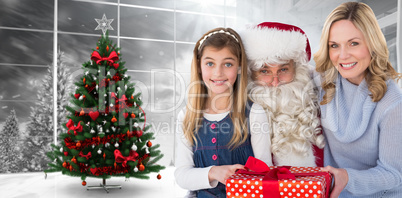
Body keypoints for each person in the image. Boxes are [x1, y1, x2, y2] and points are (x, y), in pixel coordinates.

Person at [313, 2, 402, 197]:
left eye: (354, 43)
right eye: (334, 46)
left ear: (372, 44)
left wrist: (348, 178)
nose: (343, 56)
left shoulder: (392, 102)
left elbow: (394, 174)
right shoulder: (323, 81)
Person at [174, 27, 271, 197]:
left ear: (239, 67)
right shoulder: (186, 116)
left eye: (228, 64)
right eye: (210, 63)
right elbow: (182, 175)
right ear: (199, 67)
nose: (218, 73)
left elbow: (265, 173)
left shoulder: (254, 113)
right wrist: (213, 172)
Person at [241, 22, 325, 167]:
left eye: (284, 69)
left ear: (297, 70)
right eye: (264, 71)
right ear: (251, 74)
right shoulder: (237, 116)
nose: (275, 81)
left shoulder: (317, 109)